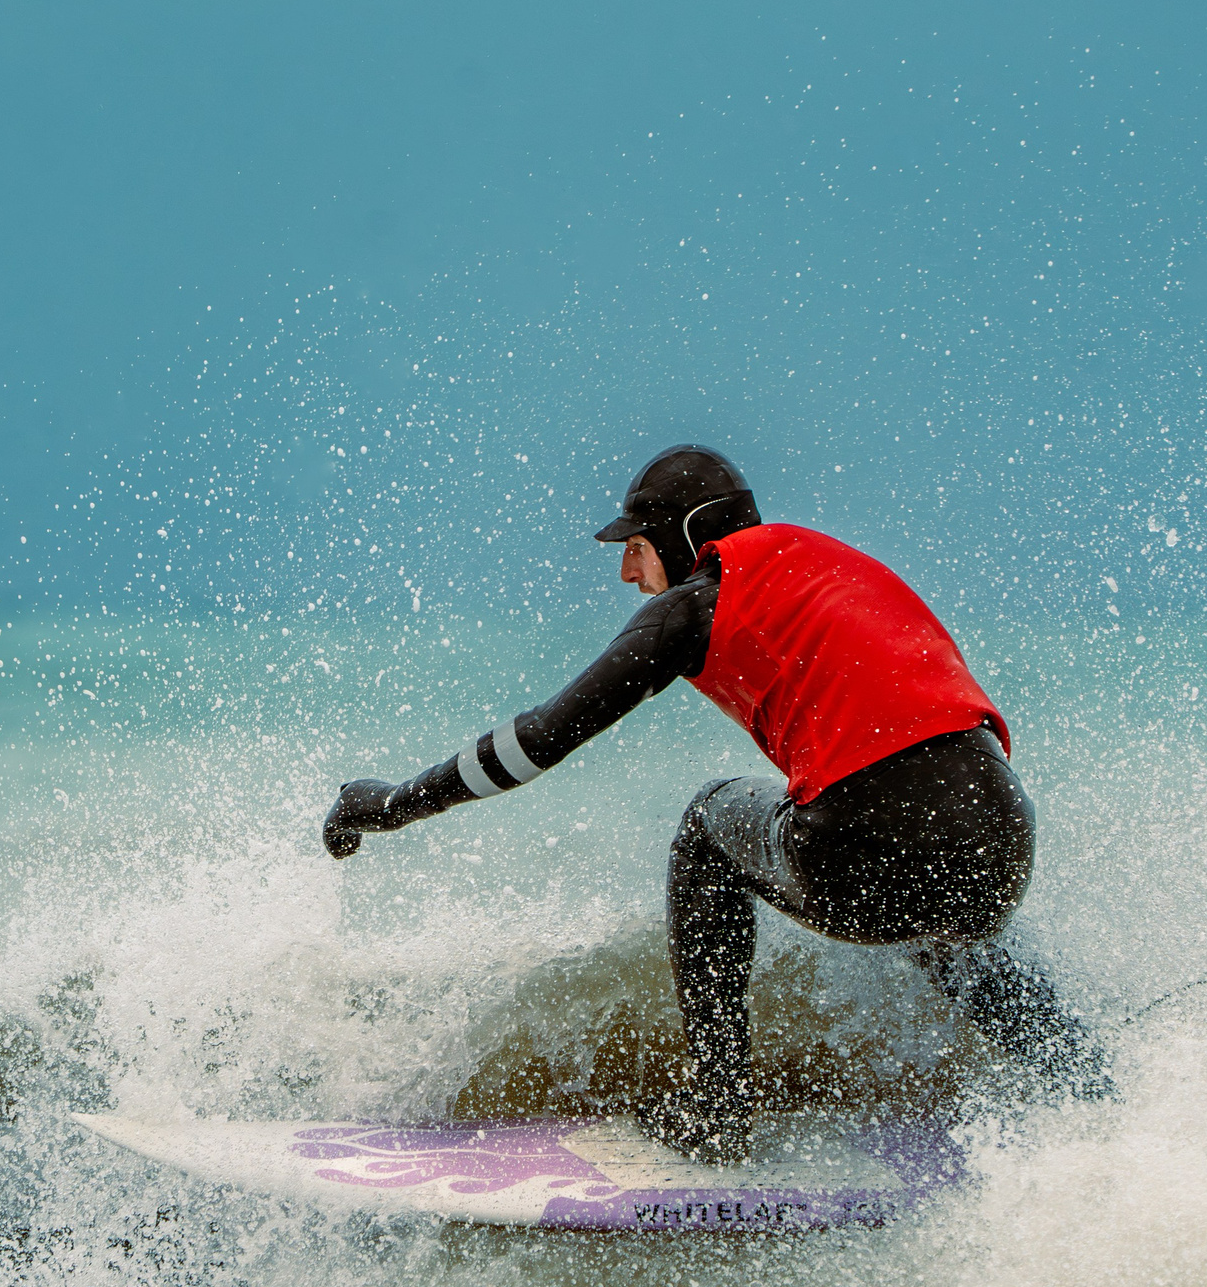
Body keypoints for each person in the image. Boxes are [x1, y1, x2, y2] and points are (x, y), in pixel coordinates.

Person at [322, 443, 1109, 1157]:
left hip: (868, 850)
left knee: (707, 823)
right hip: (1003, 847)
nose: (629, 575)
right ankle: (1095, 1094)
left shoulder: (697, 603)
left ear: (688, 534)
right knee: (938, 915)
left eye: (633, 549)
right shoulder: (830, 562)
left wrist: (391, 802)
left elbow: (538, 740)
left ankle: (721, 1105)